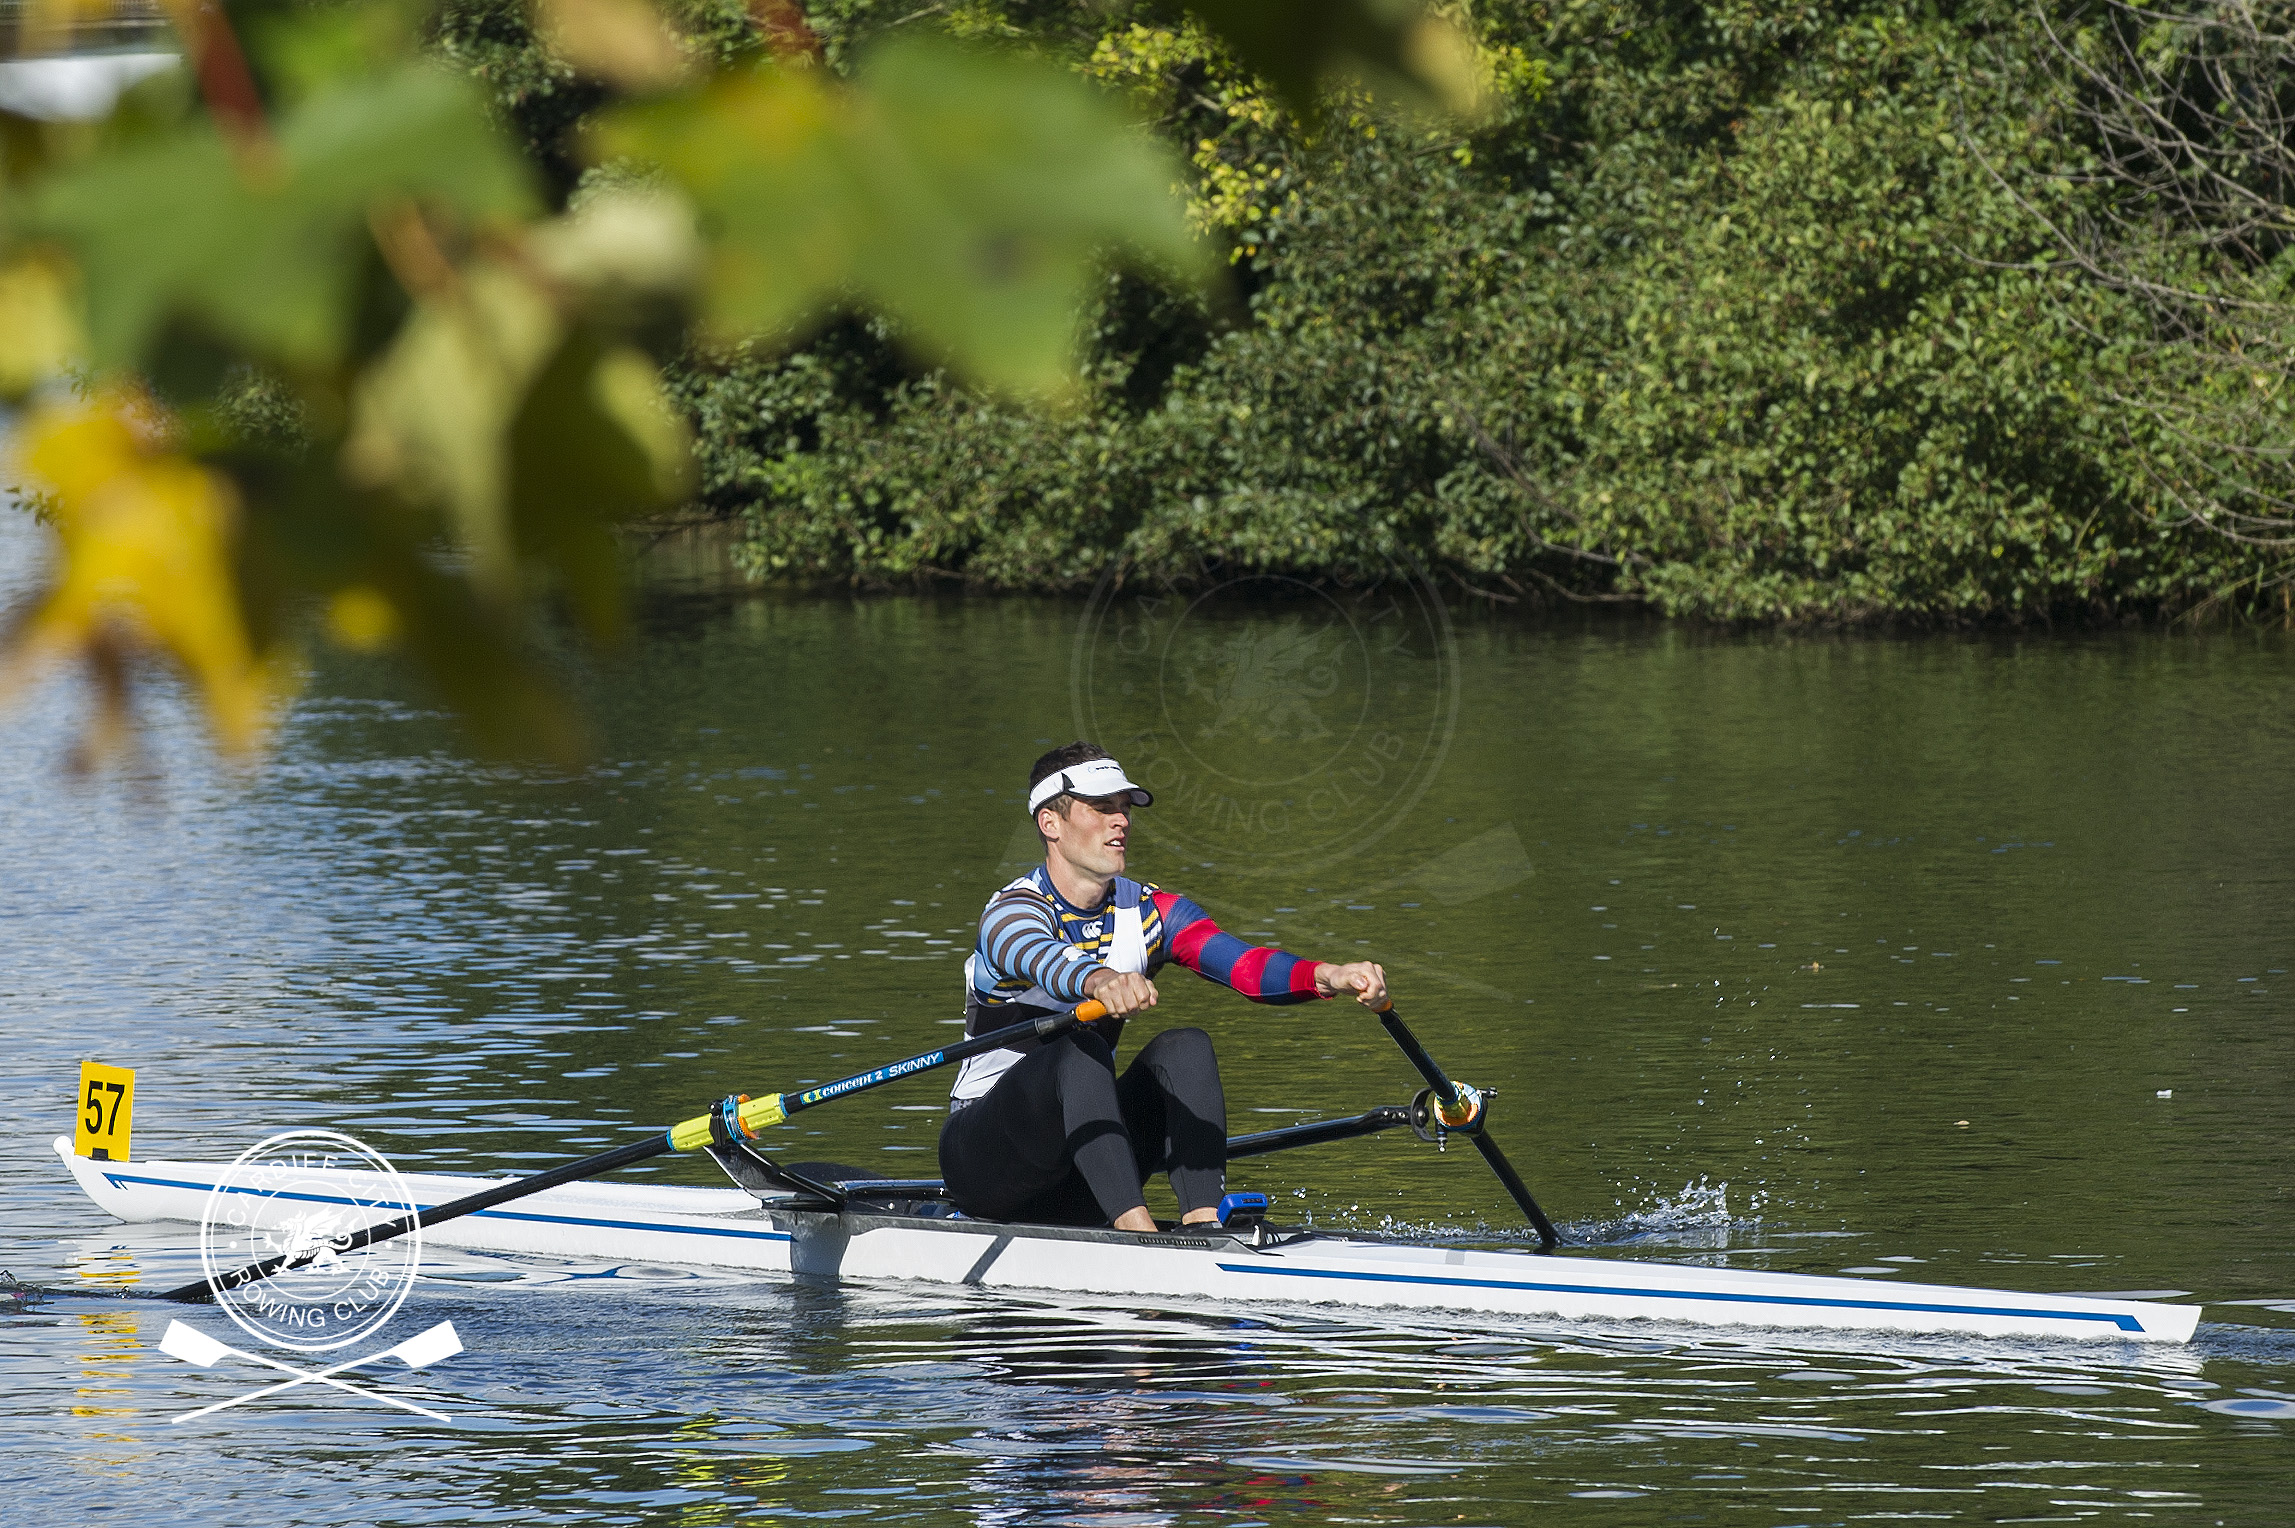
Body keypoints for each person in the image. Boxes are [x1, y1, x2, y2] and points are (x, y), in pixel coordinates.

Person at [938, 741, 1390, 1232]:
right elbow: (1039, 956)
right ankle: (1139, 1234)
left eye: (1125, 808)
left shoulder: (1152, 912)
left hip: (1086, 1165)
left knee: (1186, 1046)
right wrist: (1101, 980)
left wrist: (1327, 975)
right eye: (1102, 808)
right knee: (1079, 1049)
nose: (1122, 821)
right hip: (989, 1161)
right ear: (1051, 823)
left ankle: (1203, 1226)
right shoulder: (1010, 912)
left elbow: (1245, 966)